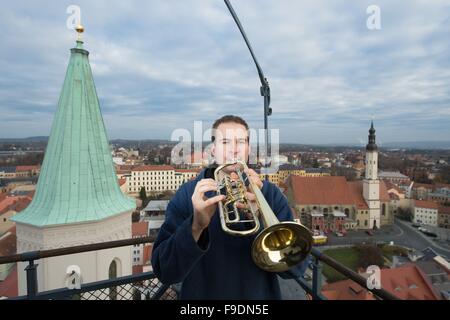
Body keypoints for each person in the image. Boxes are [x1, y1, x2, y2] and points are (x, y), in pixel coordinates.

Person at [151, 115, 305, 299]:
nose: (234, 150)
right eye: (225, 142)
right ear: (213, 150)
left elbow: (297, 268)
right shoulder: (189, 194)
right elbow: (165, 271)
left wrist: (262, 217)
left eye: (241, 142)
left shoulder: (270, 194)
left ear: (248, 149)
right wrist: (196, 227)